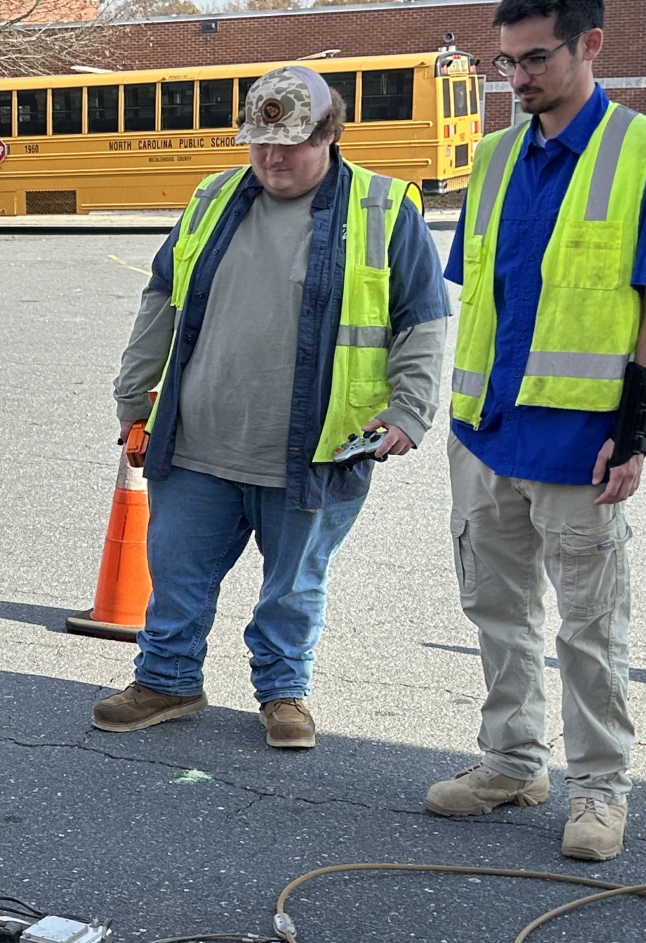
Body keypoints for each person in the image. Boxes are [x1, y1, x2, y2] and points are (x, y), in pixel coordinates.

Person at [92, 65, 449, 748]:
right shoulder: (214, 197)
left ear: (329, 135)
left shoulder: (382, 207)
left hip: (315, 447)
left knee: (294, 585)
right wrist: (133, 398)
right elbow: (160, 300)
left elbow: (423, 317)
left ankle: (284, 693)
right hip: (199, 436)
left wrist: (411, 409)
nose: (272, 158)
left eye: (288, 144)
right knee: (177, 571)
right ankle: (167, 679)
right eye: (259, 142)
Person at [423, 0, 646, 862]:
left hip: (580, 442)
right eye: (506, 62)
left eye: (536, 58)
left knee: (589, 628)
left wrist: (637, 428)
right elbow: (486, 295)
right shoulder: (496, 158)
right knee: (497, 613)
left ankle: (601, 790)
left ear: (590, 45)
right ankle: (511, 762)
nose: (519, 78)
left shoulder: (644, 150)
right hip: (487, 432)